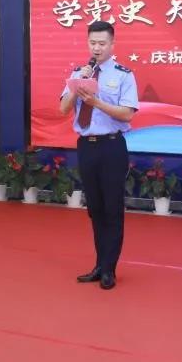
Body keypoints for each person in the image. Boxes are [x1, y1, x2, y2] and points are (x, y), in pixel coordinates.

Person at [60, 20, 138, 290]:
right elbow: (63, 109)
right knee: (95, 209)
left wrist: (97, 103)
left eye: (102, 43)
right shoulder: (78, 73)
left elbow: (127, 114)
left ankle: (109, 269)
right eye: (93, 43)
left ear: (112, 44)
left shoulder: (124, 75)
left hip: (112, 146)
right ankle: (99, 264)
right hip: (86, 146)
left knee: (112, 208)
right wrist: (76, 88)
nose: (97, 48)